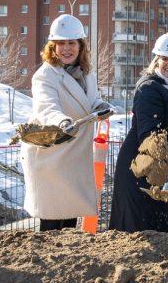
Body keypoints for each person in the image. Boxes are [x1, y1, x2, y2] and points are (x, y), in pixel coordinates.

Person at [22, 14, 112, 231]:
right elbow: (46, 107)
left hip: (73, 155)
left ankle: (66, 262)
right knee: (52, 222)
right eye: (61, 43)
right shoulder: (45, 76)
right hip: (52, 157)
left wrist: (99, 106)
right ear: (52, 47)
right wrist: (62, 120)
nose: (66, 49)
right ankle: (47, 263)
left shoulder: (85, 73)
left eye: (71, 43)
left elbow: (87, 101)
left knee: (70, 218)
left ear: (81, 46)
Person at [109, 32, 168, 232]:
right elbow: (150, 136)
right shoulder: (150, 88)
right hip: (143, 169)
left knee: (166, 232)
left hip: (164, 167)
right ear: (156, 61)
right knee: (145, 233)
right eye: (164, 58)